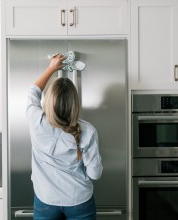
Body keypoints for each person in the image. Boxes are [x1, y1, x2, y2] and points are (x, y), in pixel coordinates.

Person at [26, 53, 103, 220]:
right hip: (79, 200)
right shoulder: (88, 131)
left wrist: (51, 68)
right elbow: (95, 174)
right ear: (75, 102)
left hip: (46, 199)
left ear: (48, 101)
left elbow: (33, 92)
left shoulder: (36, 121)